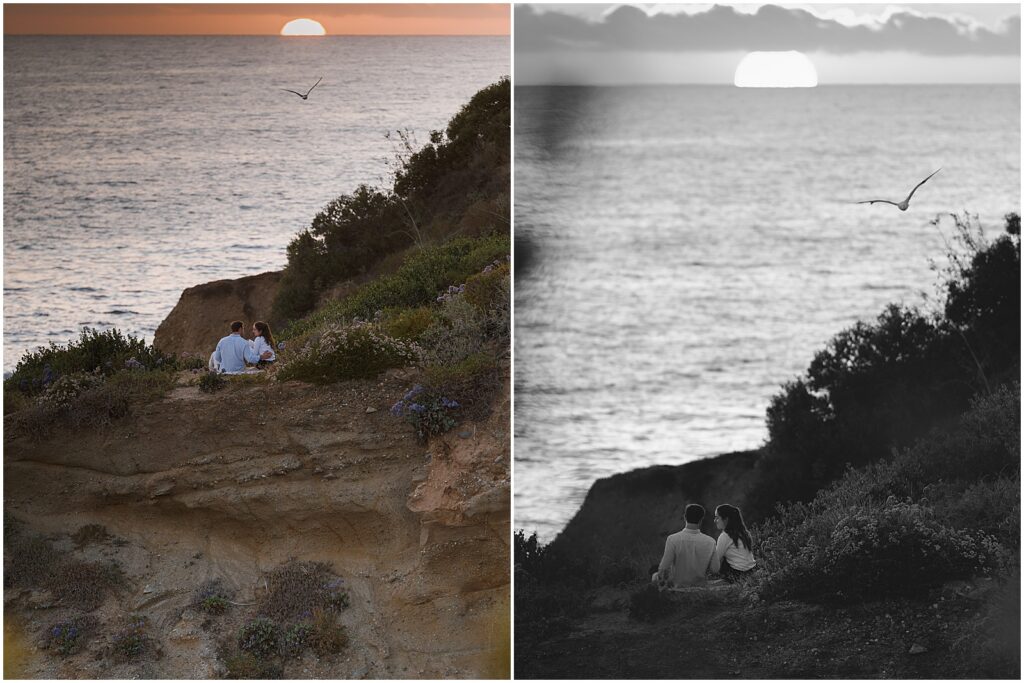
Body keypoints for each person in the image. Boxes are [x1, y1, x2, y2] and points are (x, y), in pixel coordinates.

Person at [653, 503, 717, 588]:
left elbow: (663, 569)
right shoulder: (711, 542)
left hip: (678, 588)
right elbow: (715, 569)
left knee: (654, 575)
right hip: (700, 589)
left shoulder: (672, 539)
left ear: (684, 517)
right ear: (701, 519)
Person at [711, 504, 756, 581]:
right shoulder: (744, 533)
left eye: (717, 517)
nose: (715, 521)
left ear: (726, 519)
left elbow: (716, 559)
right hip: (752, 571)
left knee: (721, 559)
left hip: (738, 574)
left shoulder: (725, 536)